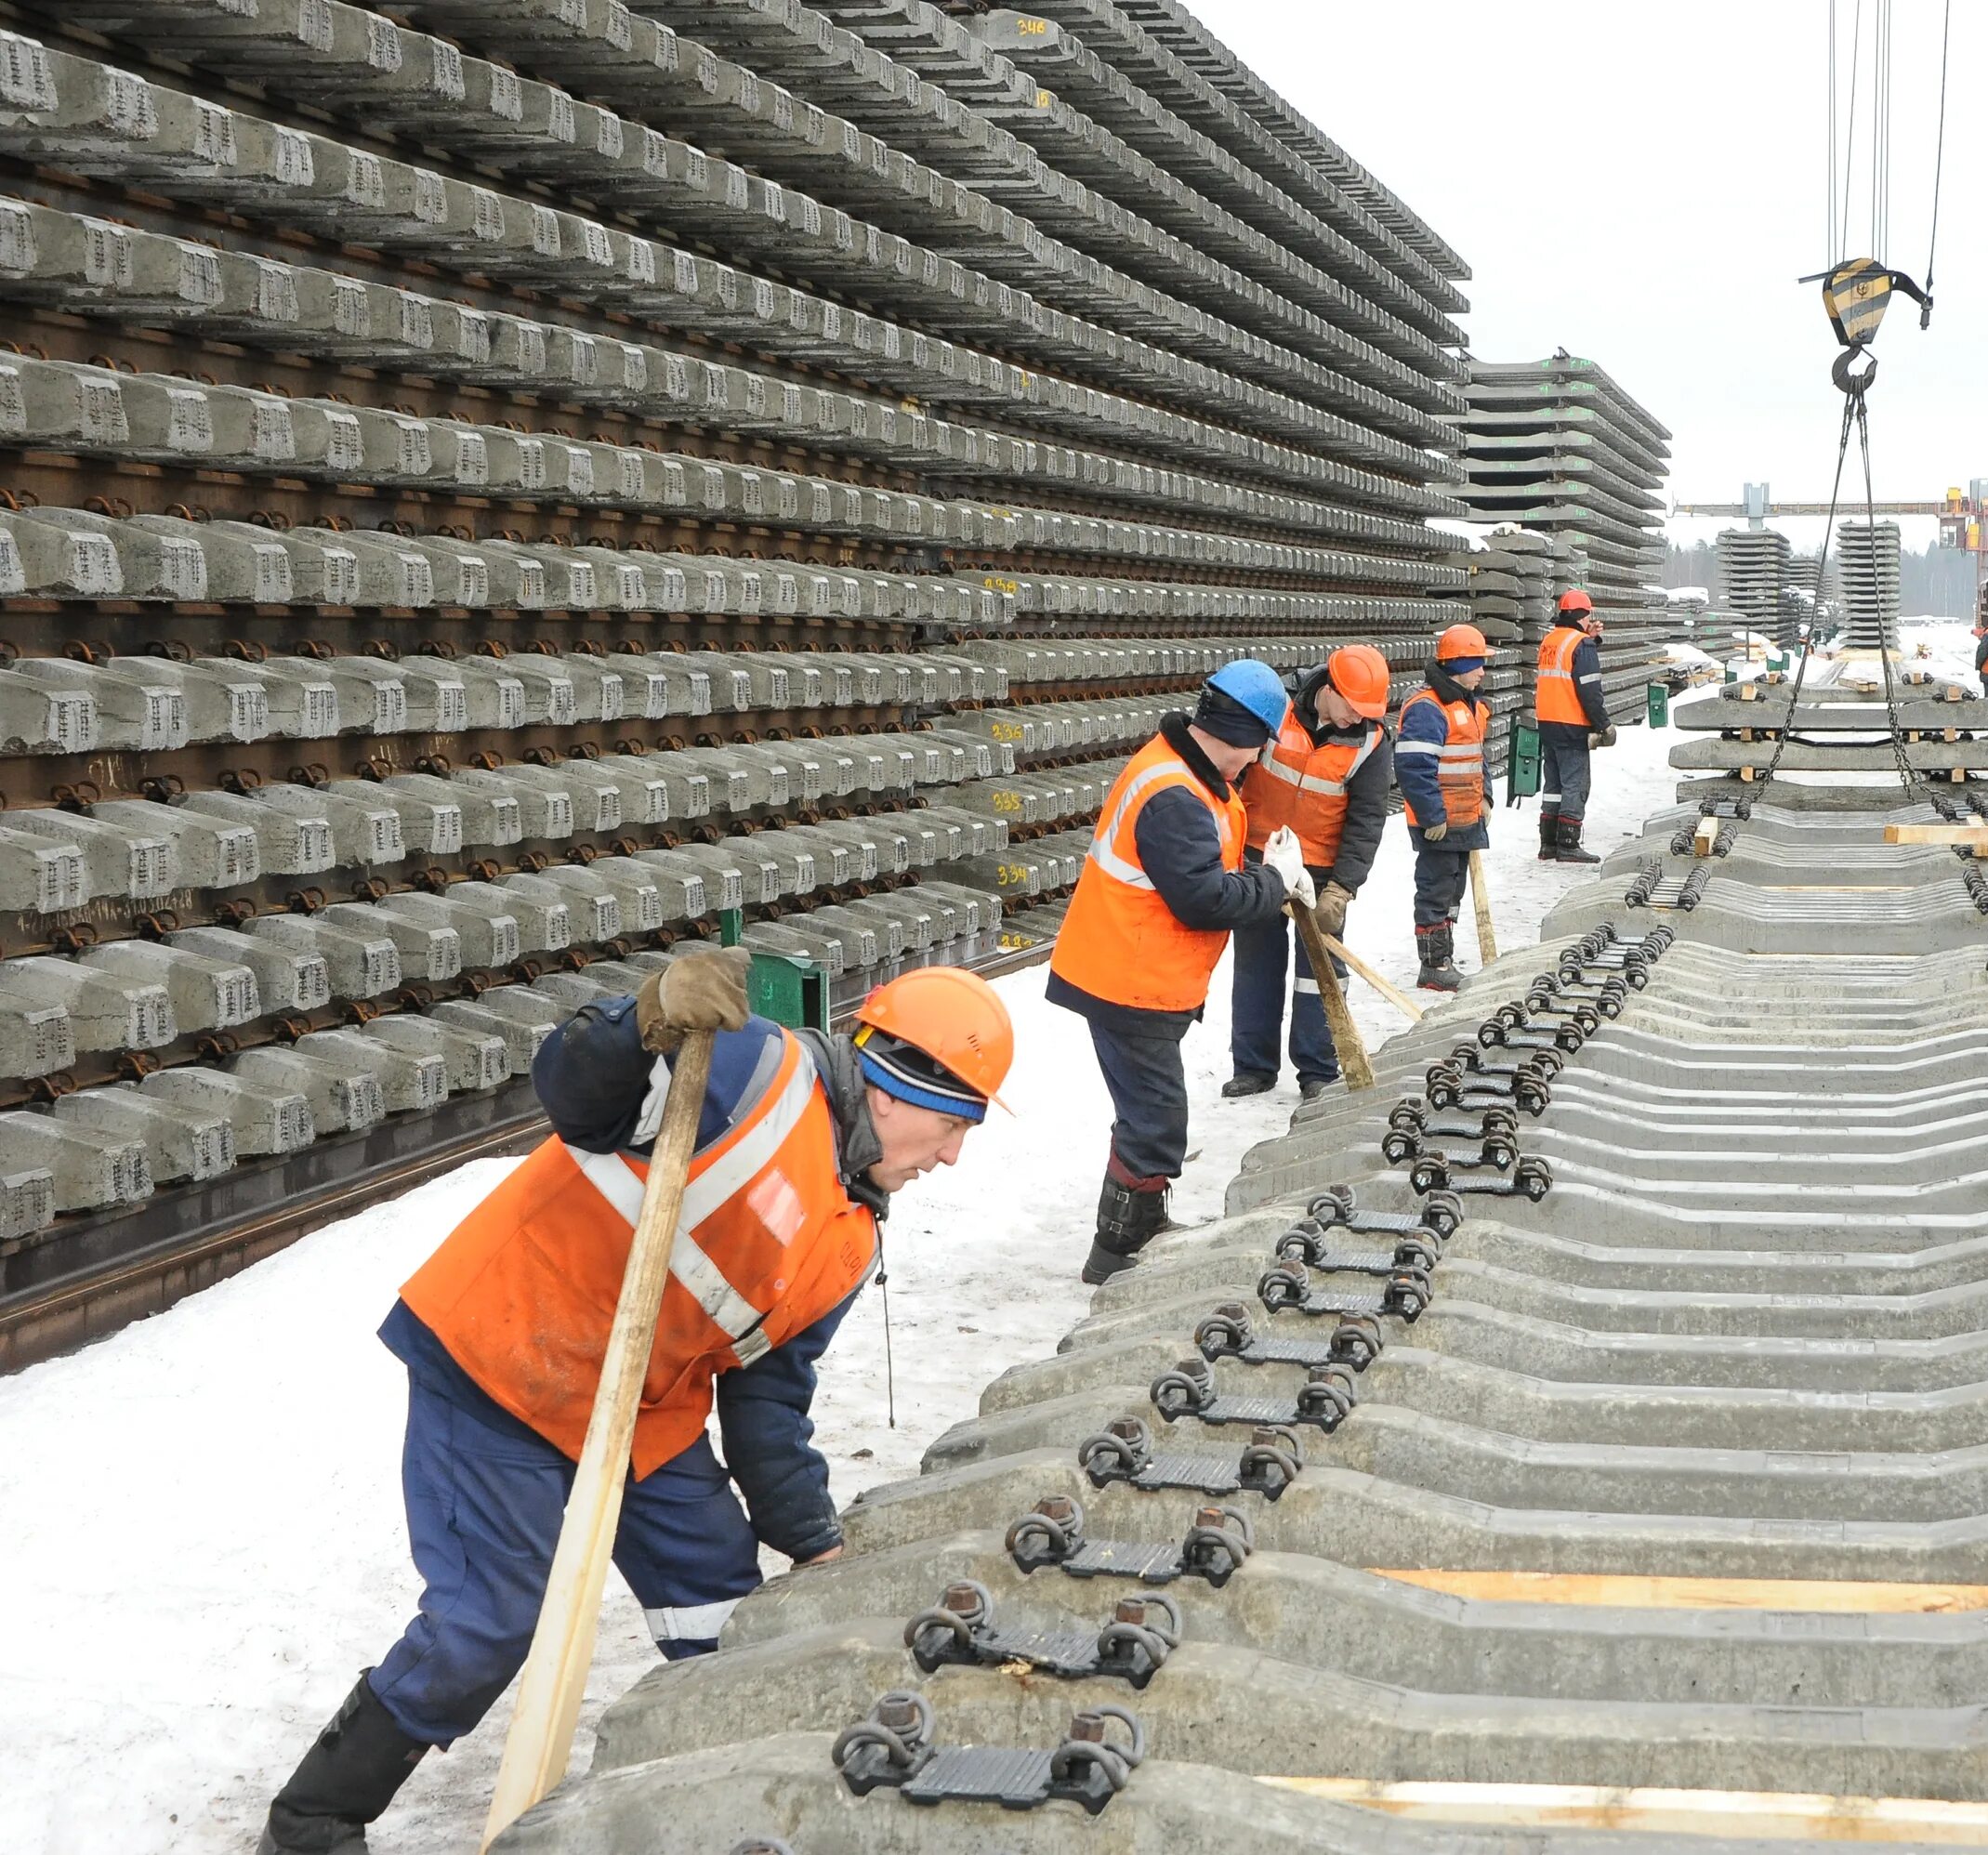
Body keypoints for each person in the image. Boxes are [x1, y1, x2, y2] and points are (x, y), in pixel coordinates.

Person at [256, 954, 1014, 1854]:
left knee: (724, 1610)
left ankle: (745, 1789)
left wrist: (814, 1540)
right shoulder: (749, 1073)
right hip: (507, 1357)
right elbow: (573, 1089)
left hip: (639, 1404)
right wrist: (645, 1016)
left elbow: (769, 1402)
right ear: (892, 1086)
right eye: (954, 1121)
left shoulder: (849, 1235)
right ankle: (312, 1819)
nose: (955, 1153)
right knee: (489, 1622)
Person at [1050, 660, 1314, 1283]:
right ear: (1242, 734)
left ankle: (1129, 1234)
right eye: (1256, 751)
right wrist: (1273, 882)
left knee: (1151, 1114)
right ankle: (1121, 1248)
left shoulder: (1187, 776)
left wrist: (1263, 877)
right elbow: (1204, 900)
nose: (1254, 764)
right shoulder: (1174, 794)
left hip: (1141, 975)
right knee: (1155, 1120)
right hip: (1128, 980)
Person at [1225, 646, 1393, 1101]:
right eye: (1352, 708)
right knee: (1256, 966)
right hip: (1260, 860)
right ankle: (1253, 1067)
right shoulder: (1273, 710)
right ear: (1329, 690)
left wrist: (1341, 890)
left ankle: (1317, 1069)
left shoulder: (1371, 743)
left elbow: (1367, 820)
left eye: (1366, 712)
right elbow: (1230, 776)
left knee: (1320, 973)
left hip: (1319, 873)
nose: (1356, 719)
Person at [1398, 623, 1494, 991]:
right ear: (1457, 665)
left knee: (1452, 892)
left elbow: (1476, 755)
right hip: (1440, 823)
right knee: (1435, 890)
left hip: (1464, 818)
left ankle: (1444, 953)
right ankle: (1433, 965)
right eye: (1477, 664)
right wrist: (1431, 816)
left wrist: (1485, 796)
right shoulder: (1428, 708)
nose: (1483, 671)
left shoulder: (1468, 704)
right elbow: (1412, 766)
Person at [1534, 588, 1614, 864]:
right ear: (1585, 615)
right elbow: (1589, 690)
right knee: (1575, 784)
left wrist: (1589, 639)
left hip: (1547, 722)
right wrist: (1603, 724)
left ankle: (1548, 843)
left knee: (1554, 785)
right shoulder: (1581, 644)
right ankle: (1568, 843)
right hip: (1571, 723)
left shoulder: (1550, 640)